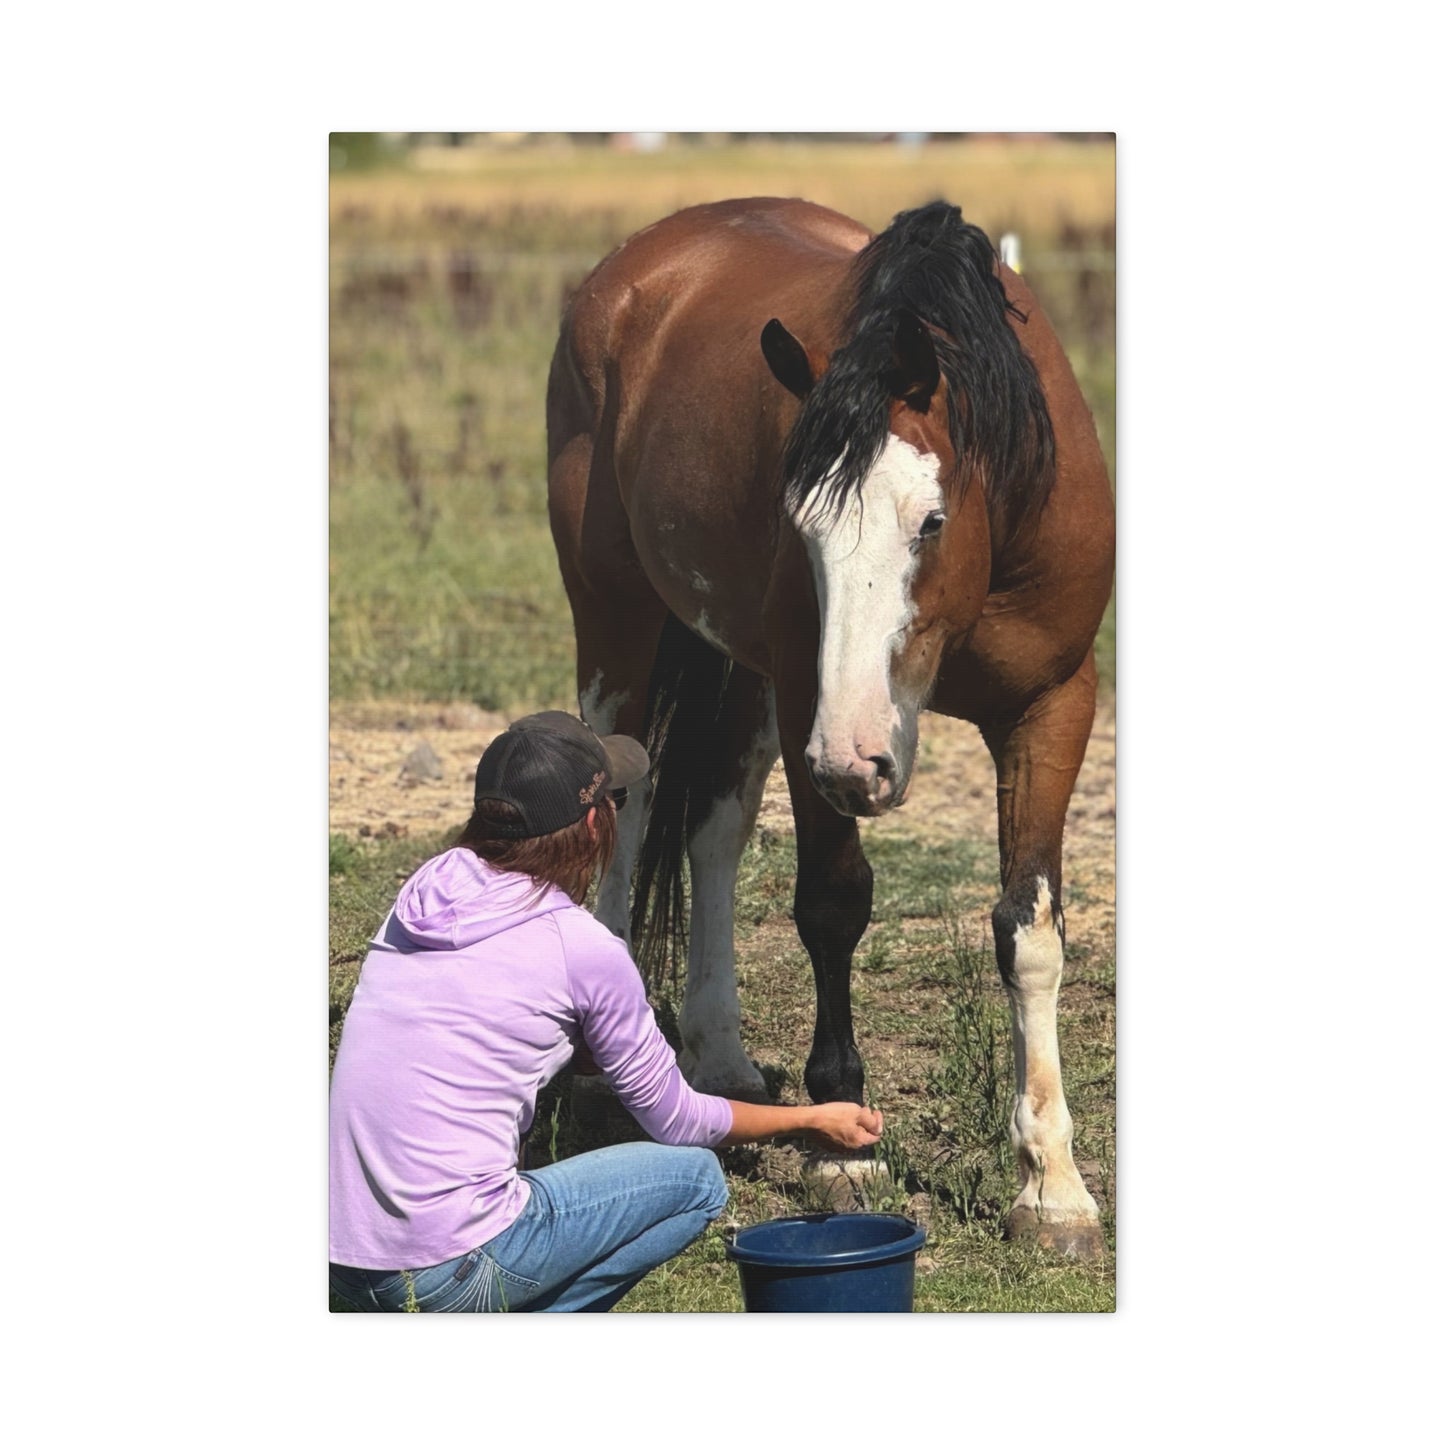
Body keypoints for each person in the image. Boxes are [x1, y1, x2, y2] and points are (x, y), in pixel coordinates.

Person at [329, 710, 883, 1312]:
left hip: (340, 1263)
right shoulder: (581, 947)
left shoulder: (422, 894)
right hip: (451, 1268)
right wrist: (810, 1119)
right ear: (594, 823)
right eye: (615, 799)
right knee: (697, 1180)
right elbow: (679, 1122)